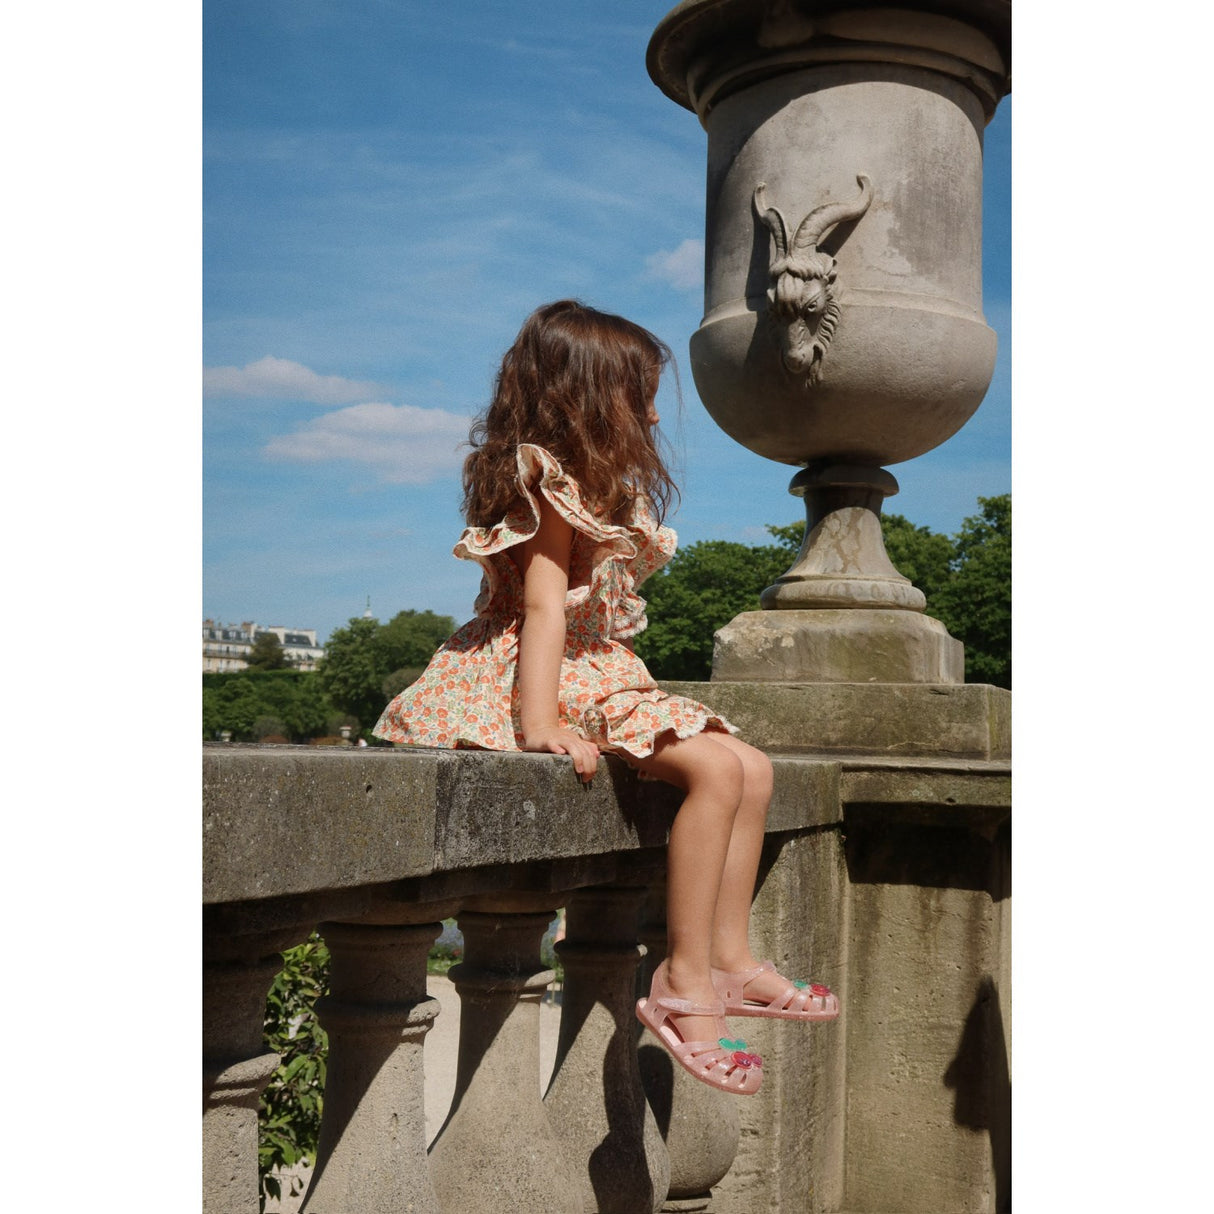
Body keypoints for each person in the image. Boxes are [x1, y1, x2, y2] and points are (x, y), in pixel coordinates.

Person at [374, 300, 837, 1095]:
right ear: (588, 397)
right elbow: (543, 607)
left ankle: (730, 960)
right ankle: (683, 979)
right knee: (716, 772)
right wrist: (540, 721)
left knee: (753, 768)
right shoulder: (547, 481)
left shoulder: (596, 485)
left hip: (595, 664)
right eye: (641, 396)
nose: (654, 415)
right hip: (540, 666)